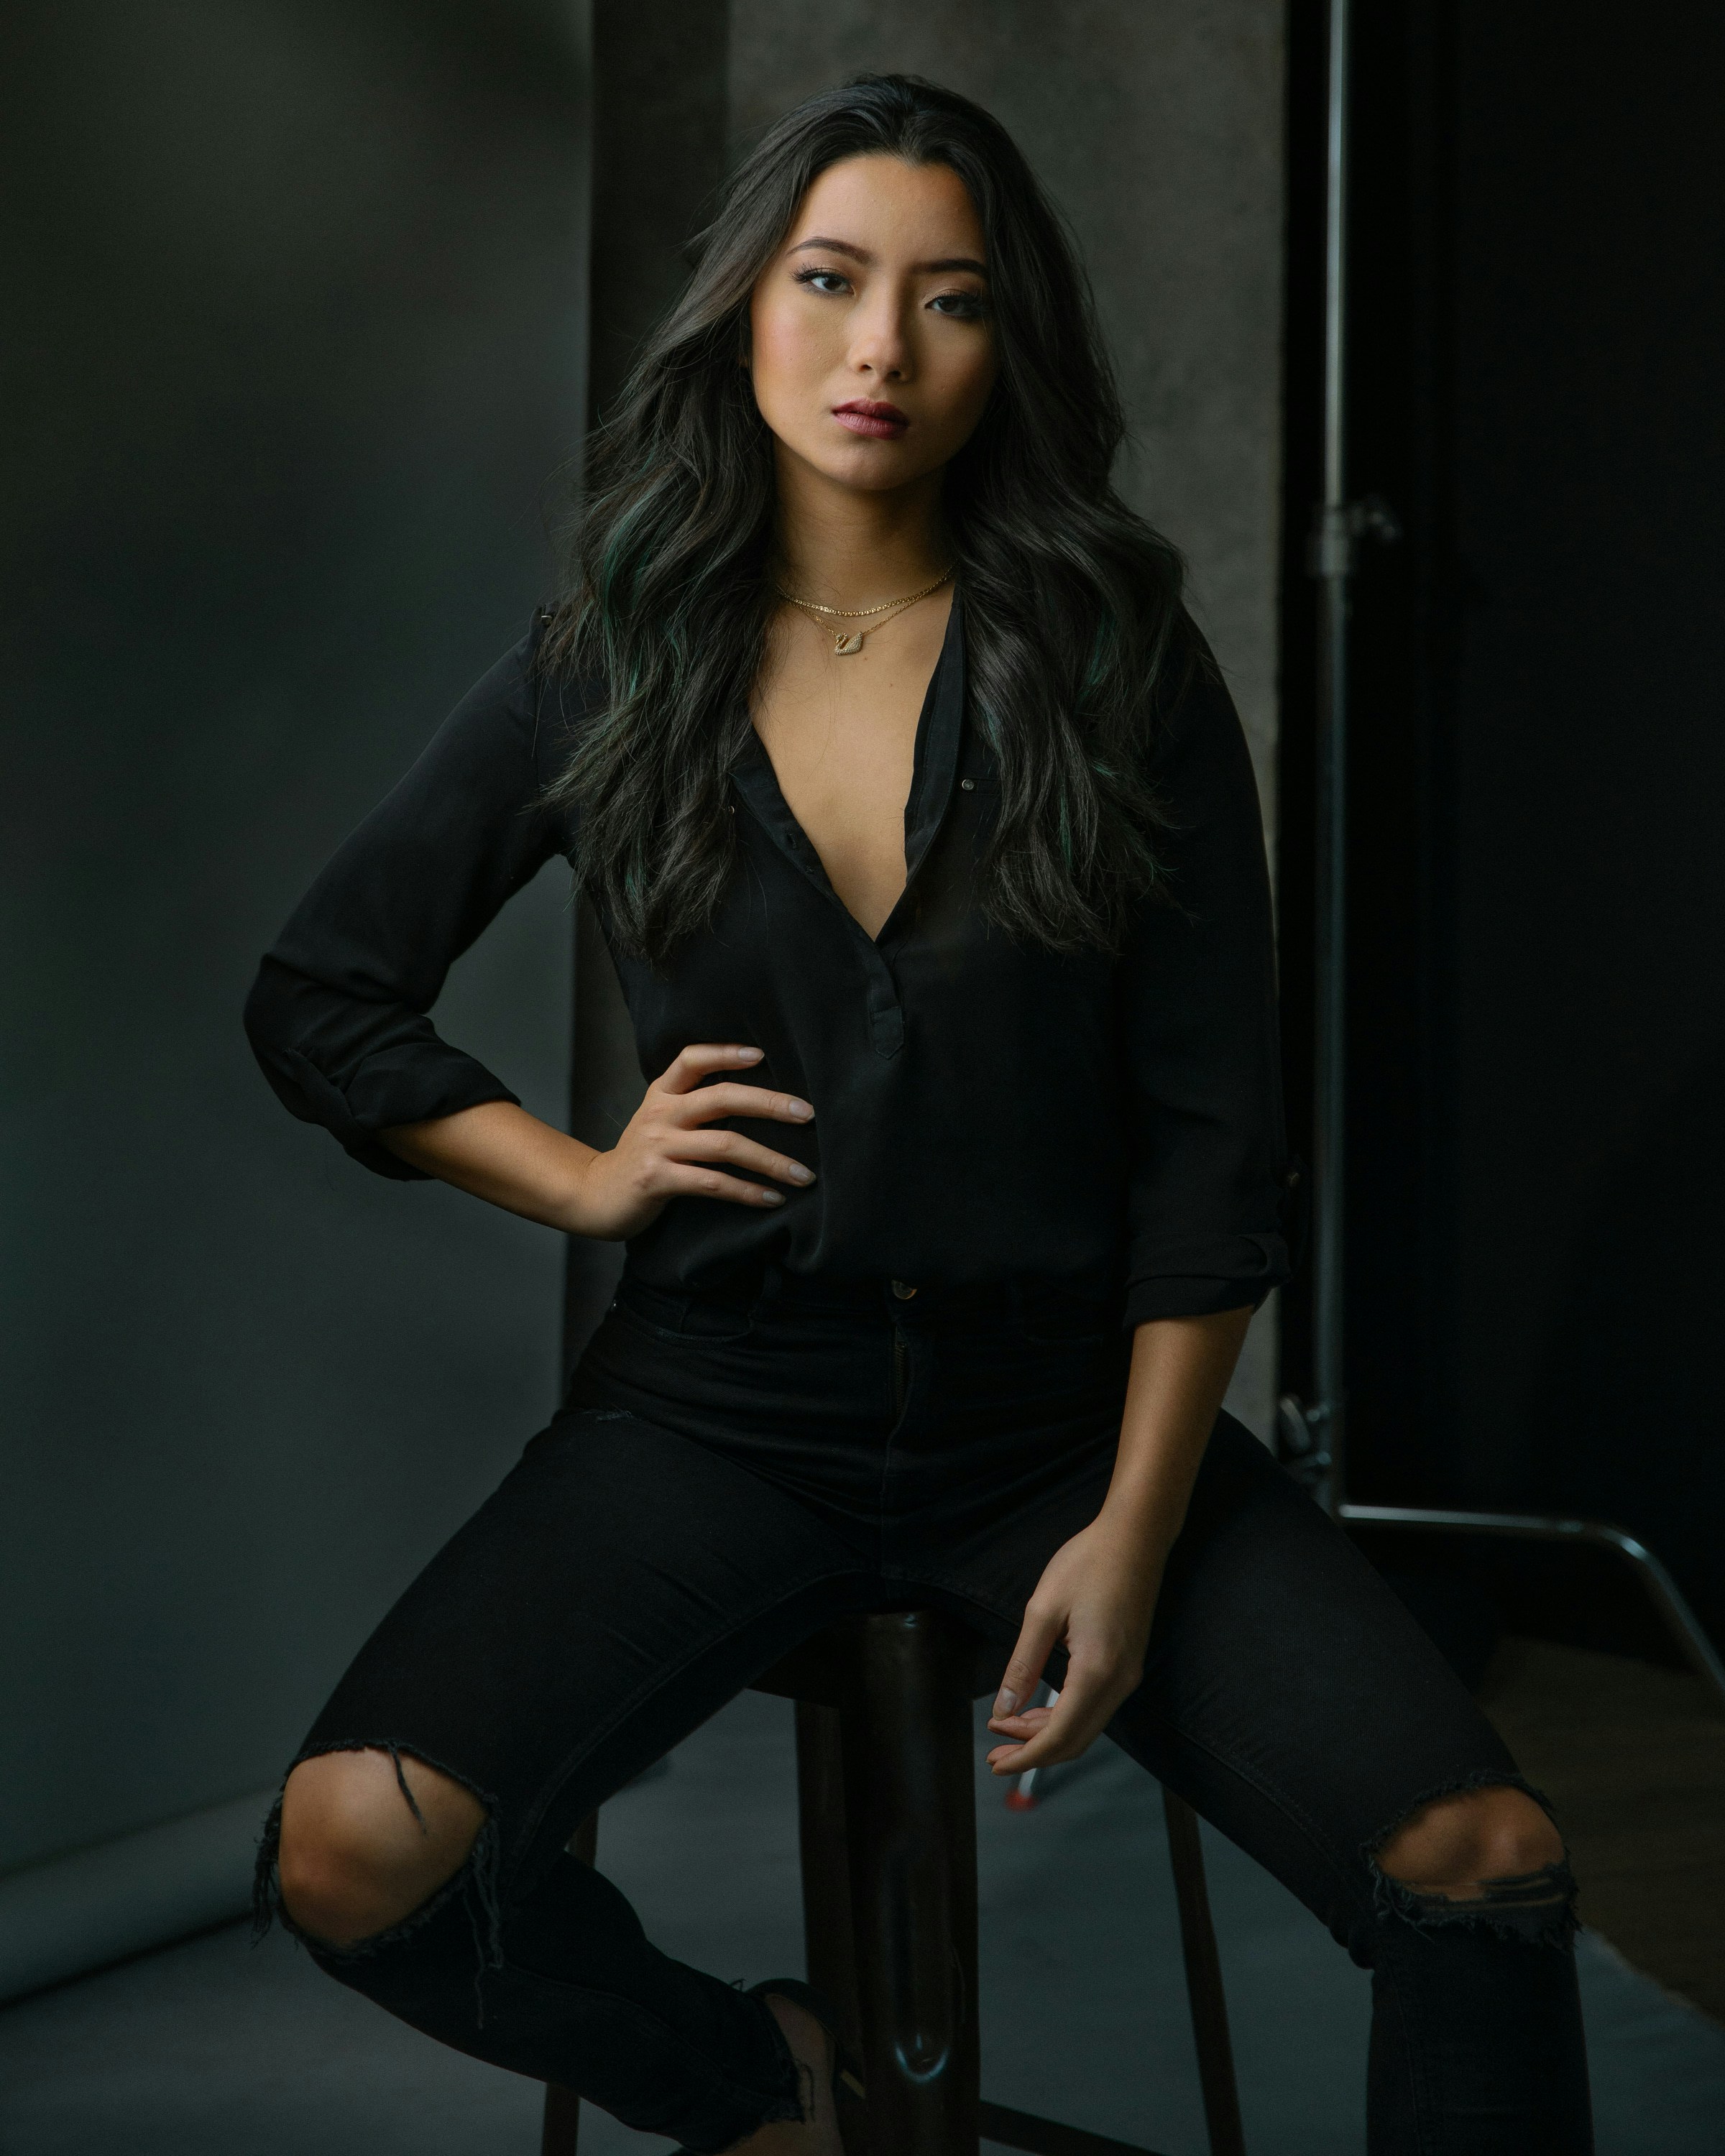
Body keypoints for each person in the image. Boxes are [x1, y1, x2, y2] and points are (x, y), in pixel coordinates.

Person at [245, 73, 1590, 2156]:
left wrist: (1133, 1535)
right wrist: (579, 1182)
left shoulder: (1120, 662)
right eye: (829, 281)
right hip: (716, 1413)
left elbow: (1213, 1153)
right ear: (744, 311)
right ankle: (762, 2090)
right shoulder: (606, 664)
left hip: (1062, 1422)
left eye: (950, 300)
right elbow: (324, 997)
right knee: (352, 1854)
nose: (881, 347)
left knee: (1483, 1864)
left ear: (1005, 345)